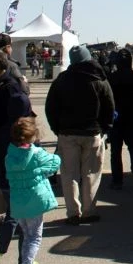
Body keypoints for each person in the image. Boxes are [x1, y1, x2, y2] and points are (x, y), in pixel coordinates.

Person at [44, 44, 114, 225]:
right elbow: (109, 106)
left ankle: (73, 212)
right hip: (92, 132)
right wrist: (104, 128)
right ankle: (89, 211)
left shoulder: (62, 80)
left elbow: (50, 107)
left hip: (67, 133)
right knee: (91, 173)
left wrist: (57, 128)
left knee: (69, 174)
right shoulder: (98, 78)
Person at [2, 116, 60, 264]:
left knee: (27, 235)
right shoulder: (36, 154)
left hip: (18, 201)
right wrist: (42, 171)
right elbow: (56, 161)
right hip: (34, 200)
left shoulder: (10, 155)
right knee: (35, 237)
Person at [0, 50, 32, 227]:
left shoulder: (10, 86)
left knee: (5, 184)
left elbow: (19, 114)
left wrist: (8, 138)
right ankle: (0, 217)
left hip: (4, 144)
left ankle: (14, 220)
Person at [107, 48, 133, 191]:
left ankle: (117, 180)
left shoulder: (111, 78)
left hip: (116, 118)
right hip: (131, 117)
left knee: (115, 151)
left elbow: (108, 99)